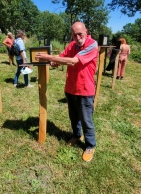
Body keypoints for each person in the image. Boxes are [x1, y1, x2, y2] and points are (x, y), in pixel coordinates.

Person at [35, 22, 98, 162]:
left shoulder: (92, 44)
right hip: (70, 88)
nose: (77, 37)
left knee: (86, 120)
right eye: (74, 34)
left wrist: (49, 57)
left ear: (86, 31)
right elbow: (63, 56)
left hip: (85, 90)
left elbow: (73, 61)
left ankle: (90, 145)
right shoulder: (72, 45)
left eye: (80, 33)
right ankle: (76, 135)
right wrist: (54, 62)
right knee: (73, 117)